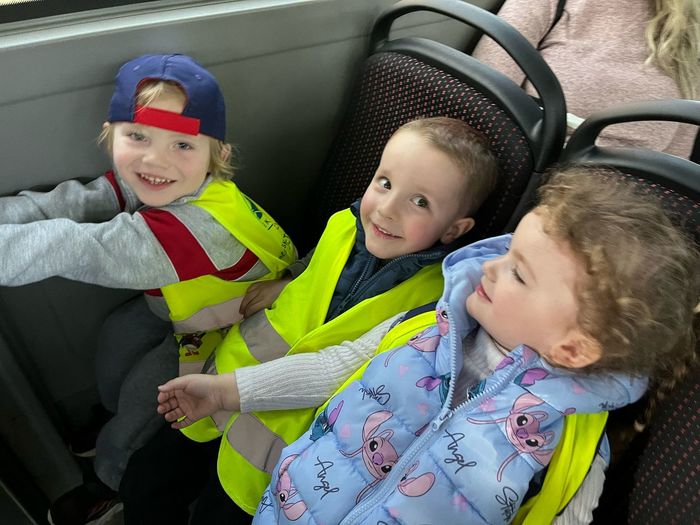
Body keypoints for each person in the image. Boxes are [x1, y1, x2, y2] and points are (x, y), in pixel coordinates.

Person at [166, 166, 698, 524]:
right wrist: (228, 391)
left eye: (519, 273)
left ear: (574, 348)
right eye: (506, 252)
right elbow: (334, 368)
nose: (490, 266)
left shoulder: (574, 443)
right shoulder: (427, 324)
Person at [119, 116, 501, 524]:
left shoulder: (432, 299)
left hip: (279, 436)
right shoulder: (345, 223)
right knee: (146, 481)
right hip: (226, 379)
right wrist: (289, 279)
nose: (387, 210)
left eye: (420, 202)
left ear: (454, 229)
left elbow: (349, 367)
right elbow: (317, 264)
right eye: (385, 183)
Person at [0, 53, 297, 524]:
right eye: (138, 137)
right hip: (187, 306)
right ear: (111, 134)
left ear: (216, 155)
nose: (155, 160)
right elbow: (75, 204)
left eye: (182, 144)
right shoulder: (161, 180)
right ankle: (108, 415)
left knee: (142, 407)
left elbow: (76, 246)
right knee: (116, 340)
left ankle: (109, 479)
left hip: (224, 330)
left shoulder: (199, 227)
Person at [472, 0, 700, 158]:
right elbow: (483, 101)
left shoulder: (690, 28)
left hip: (633, 198)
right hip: (532, 166)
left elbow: (676, 165)